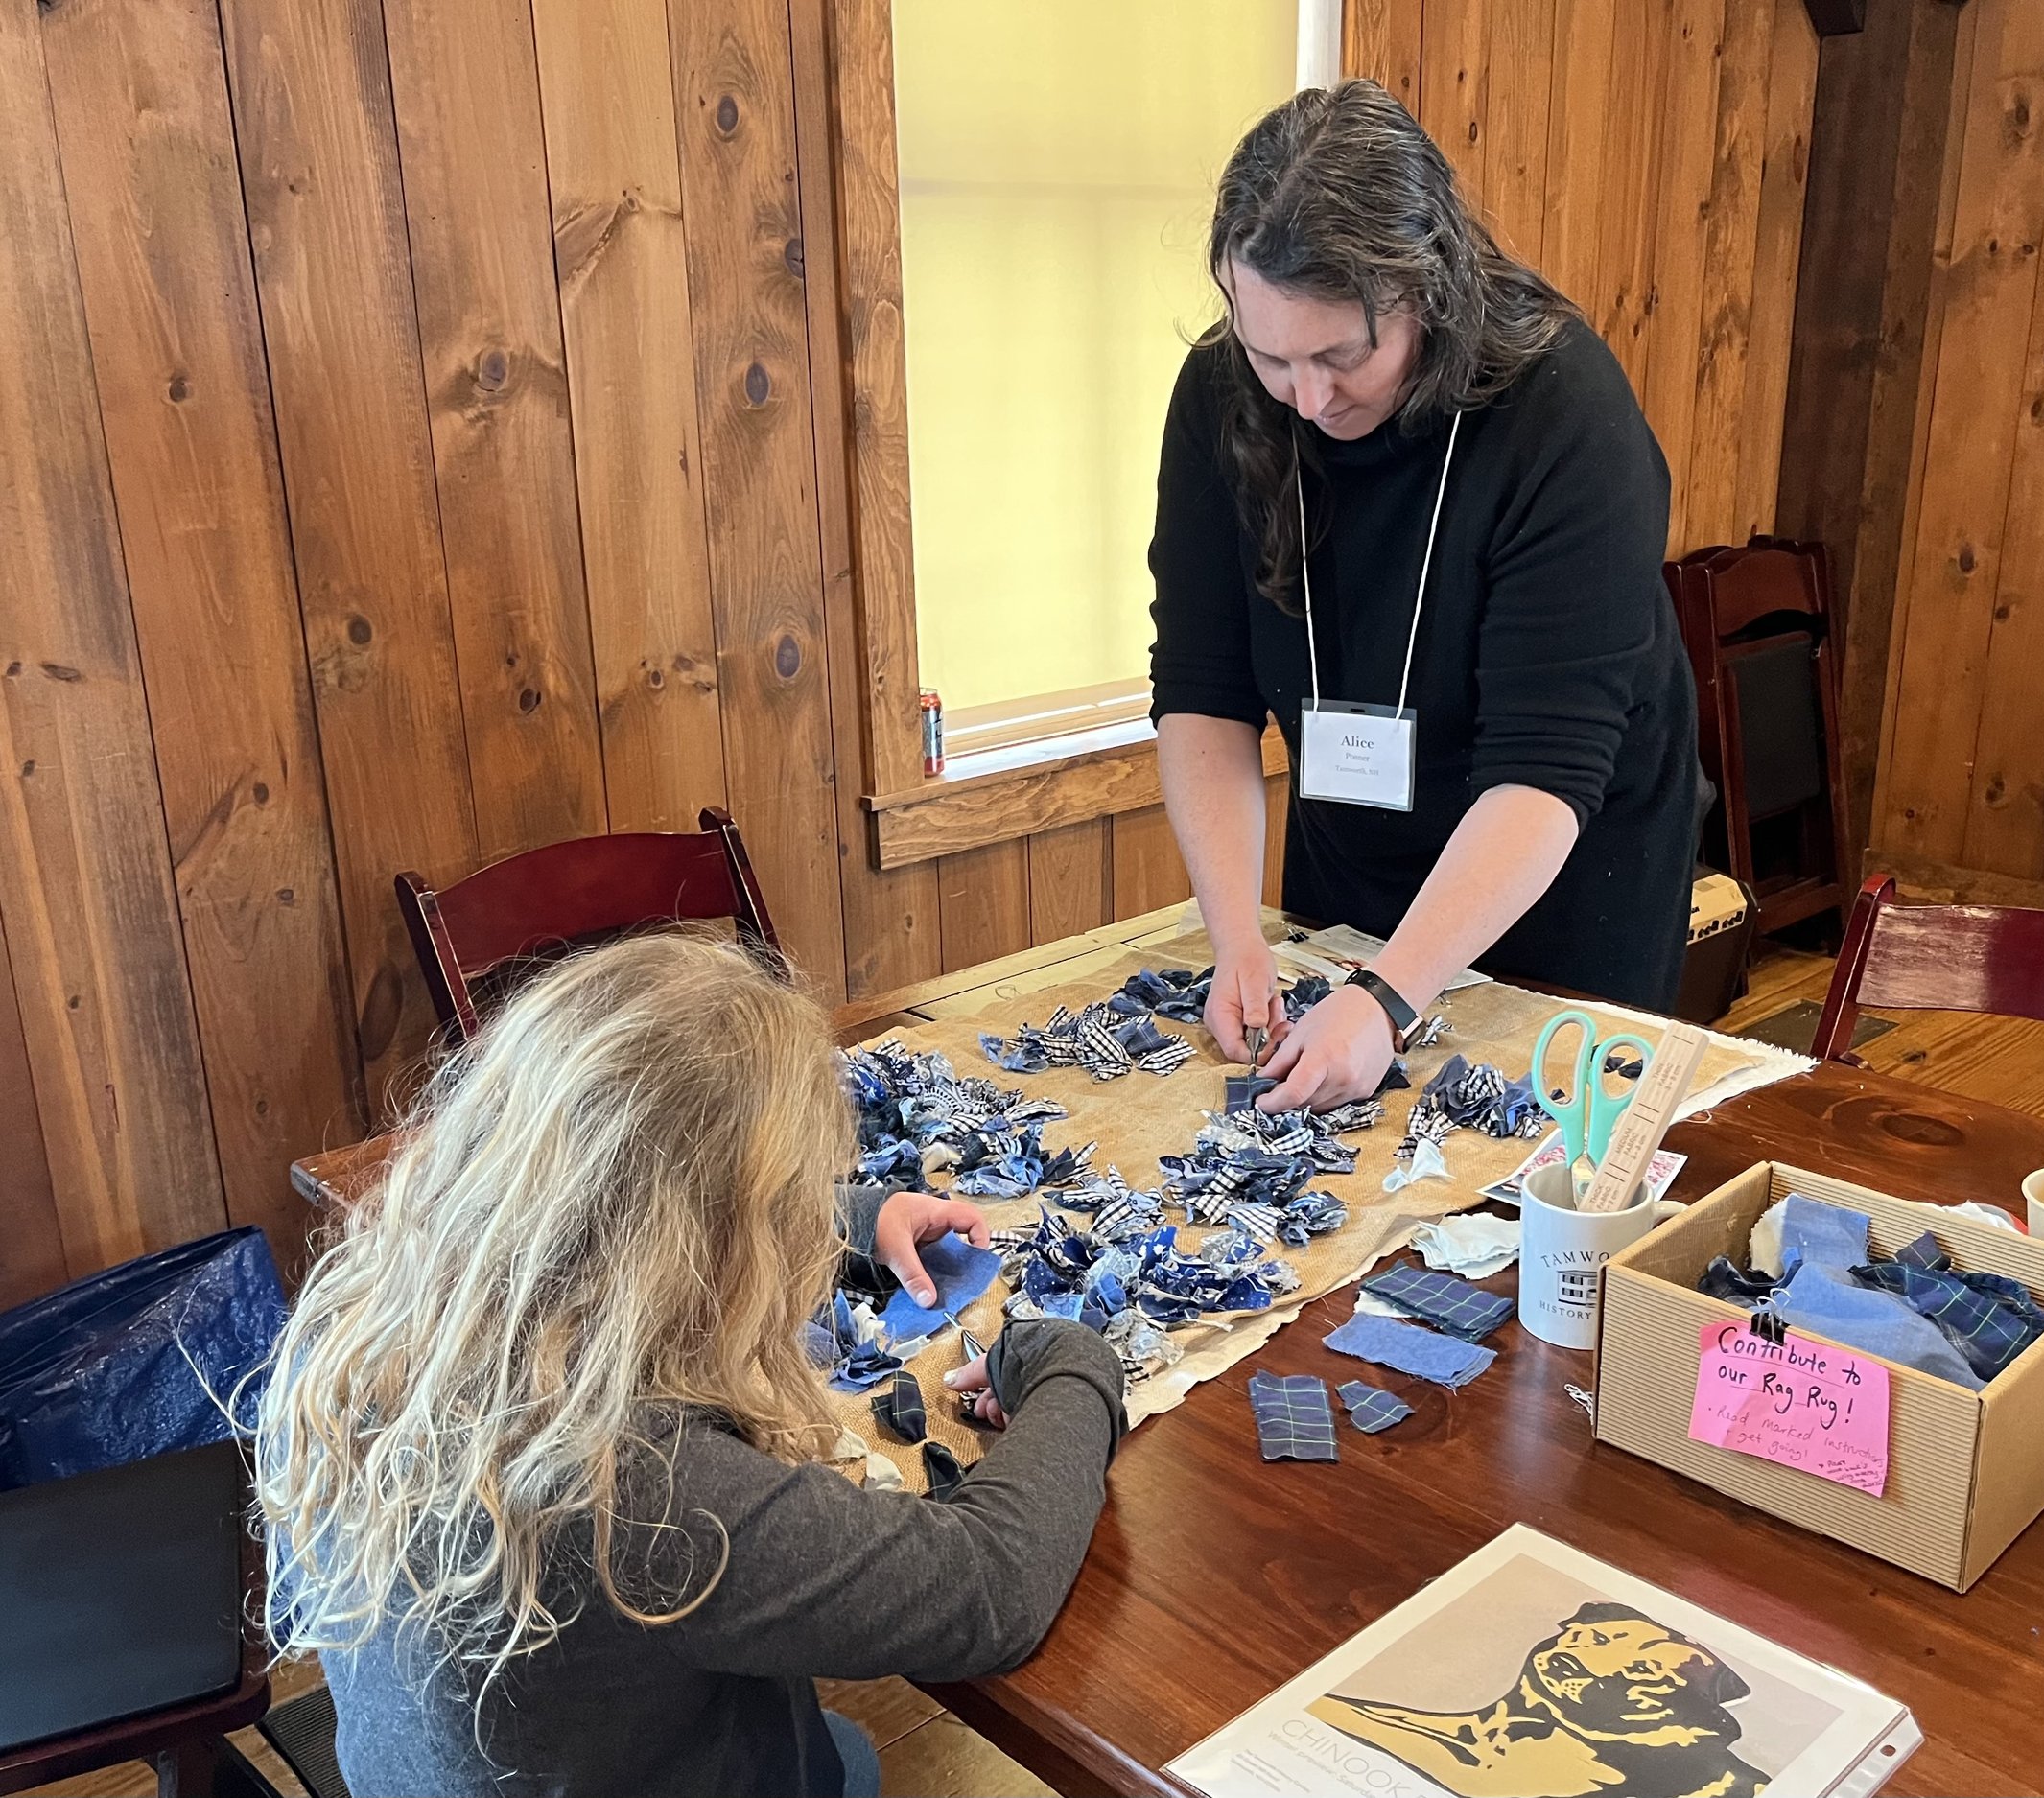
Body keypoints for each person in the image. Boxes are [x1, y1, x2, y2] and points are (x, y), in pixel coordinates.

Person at [250, 934, 1125, 1798]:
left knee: (838, 1743)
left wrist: (853, 1219)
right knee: (841, 1756)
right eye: (779, 1211)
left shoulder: (359, 1315)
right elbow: (991, 1585)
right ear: (715, 1240)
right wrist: (1069, 1361)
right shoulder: (642, 1489)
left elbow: (620, 1187)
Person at [1150, 79, 1702, 1113]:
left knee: (1515, 1193)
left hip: (1558, 883)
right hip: (1355, 861)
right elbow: (1201, 688)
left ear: (1430, 292)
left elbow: (1544, 771)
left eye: (1341, 356)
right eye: (1272, 355)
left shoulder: (1563, 412)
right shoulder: (1225, 397)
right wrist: (1234, 938)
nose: (1306, 401)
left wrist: (1390, 996)